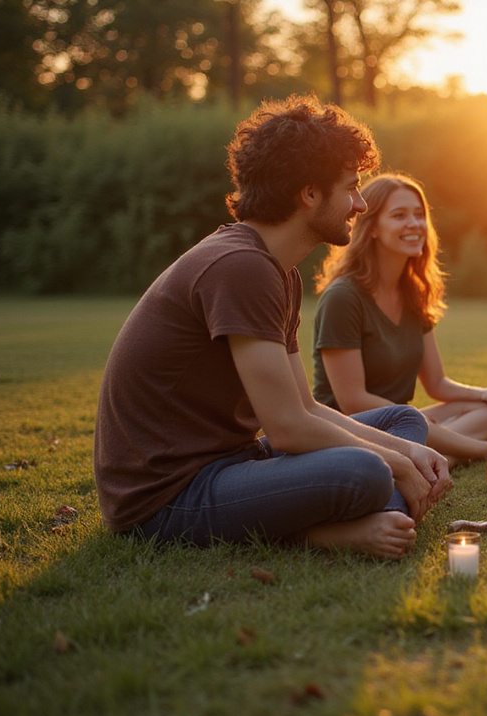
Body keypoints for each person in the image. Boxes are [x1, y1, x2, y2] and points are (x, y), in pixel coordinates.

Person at [94, 95, 451, 561]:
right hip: (167, 498)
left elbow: (304, 406)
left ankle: (373, 512)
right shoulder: (241, 266)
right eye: (351, 188)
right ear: (309, 194)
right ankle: (321, 534)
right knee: (366, 470)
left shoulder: (279, 272)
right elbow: (286, 429)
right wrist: (399, 464)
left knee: (404, 422)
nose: (360, 204)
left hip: (233, 461)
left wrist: (404, 452)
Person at [311, 173, 487, 464]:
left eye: (419, 215)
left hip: (405, 424)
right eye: (399, 215)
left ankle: (429, 455)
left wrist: (484, 393)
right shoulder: (343, 297)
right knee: (416, 429)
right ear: (371, 227)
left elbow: (437, 383)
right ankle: (444, 453)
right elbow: (353, 401)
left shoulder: (413, 294)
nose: (414, 224)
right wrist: (479, 448)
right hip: (353, 431)